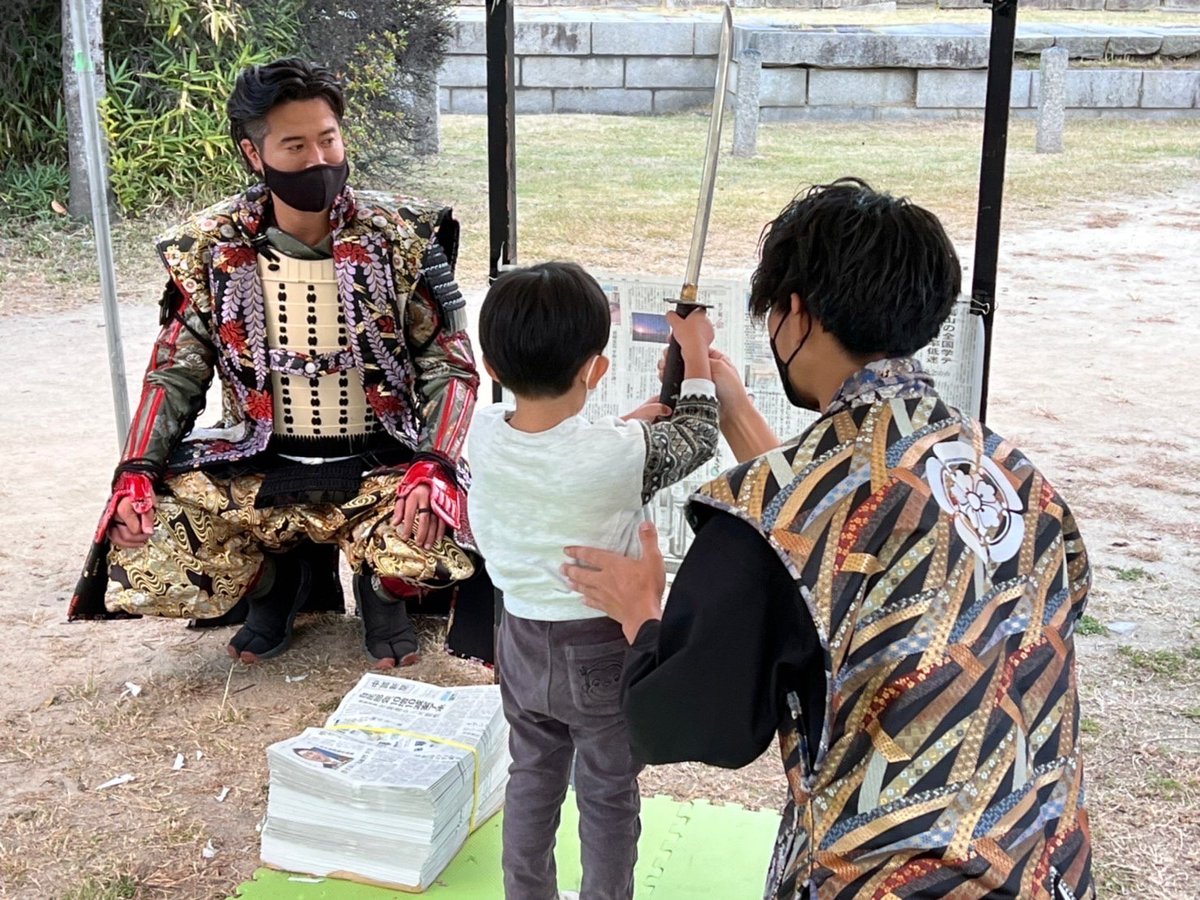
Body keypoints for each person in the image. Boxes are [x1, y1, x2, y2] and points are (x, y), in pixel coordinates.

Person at [563, 179, 1094, 899]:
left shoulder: (769, 513)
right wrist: (740, 418)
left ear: (795, 314)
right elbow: (858, 509)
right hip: (1042, 863)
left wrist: (641, 610)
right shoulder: (1013, 473)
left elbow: (681, 722)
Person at [70, 58, 494, 668]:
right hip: (257, 463)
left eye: (328, 139)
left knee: (451, 520)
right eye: (295, 145)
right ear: (253, 153)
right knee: (145, 535)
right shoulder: (209, 250)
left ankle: (383, 590)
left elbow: (448, 368)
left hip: (384, 462)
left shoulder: (402, 239)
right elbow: (175, 370)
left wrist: (434, 465)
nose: (319, 159)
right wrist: (135, 472)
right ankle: (275, 584)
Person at [468, 262, 720, 900]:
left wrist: (628, 426)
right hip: (599, 647)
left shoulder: (483, 439)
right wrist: (693, 352)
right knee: (608, 794)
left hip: (519, 640)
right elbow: (698, 432)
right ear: (597, 368)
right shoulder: (618, 455)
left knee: (531, 778)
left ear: (493, 370)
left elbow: (566, 446)